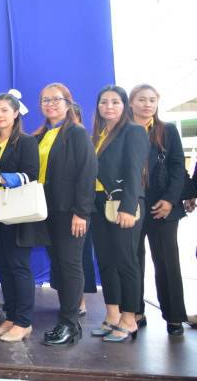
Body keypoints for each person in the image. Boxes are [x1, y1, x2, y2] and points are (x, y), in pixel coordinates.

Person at [0, 93, 48, 342]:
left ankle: (23, 322)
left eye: (4, 110)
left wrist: (0, 179)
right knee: (4, 265)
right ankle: (10, 317)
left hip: (16, 210)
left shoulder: (26, 141)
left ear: (16, 113)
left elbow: (31, 175)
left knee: (19, 265)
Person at [35, 83, 97, 346]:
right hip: (45, 210)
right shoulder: (42, 135)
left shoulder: (77, 133)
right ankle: (66, 318)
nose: (50, 104)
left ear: (68, 103)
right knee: (58, 265)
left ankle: (70, 324)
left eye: (56, 99)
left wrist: (81, 212)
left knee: (70, 265)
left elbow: (87, 173)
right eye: (45, 100)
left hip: (70, 211)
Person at [89, 85, 148, 343]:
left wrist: (128, 207)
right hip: (99, 204)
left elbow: (135, 171)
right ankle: (112, 315)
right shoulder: (98, 135)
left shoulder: (134, 131)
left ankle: (129, 318)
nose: (109, 107)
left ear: (125, 106)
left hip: (123, 203)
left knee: (126, 261)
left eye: (115, 102)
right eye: (104, 102)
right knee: (106, 262)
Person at [129, 84, 188, 335]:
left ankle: (174, 317)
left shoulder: (168, 130)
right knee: (133, 261)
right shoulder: (122, 130)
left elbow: (177, 167)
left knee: (167, 261)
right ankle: (134, 311)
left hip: (162, 204)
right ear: (131, 102)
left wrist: (170, 200)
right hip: (131, 204)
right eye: (142, 99)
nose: (147, 104)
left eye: (152, 100)